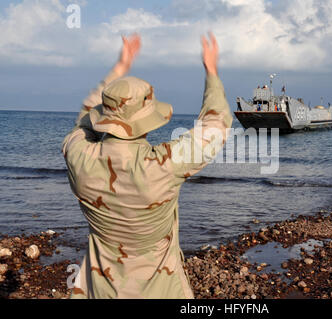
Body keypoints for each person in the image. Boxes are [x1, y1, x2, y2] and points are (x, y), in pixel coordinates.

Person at [62, 32, 232, 298]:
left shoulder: (78, 154)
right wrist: (211, 71)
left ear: (104, 116)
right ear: (149, 118)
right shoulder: (164, 165)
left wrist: (119, 69)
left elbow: (84, 118)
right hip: (161, 289)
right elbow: (216, 125)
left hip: (100, 288)